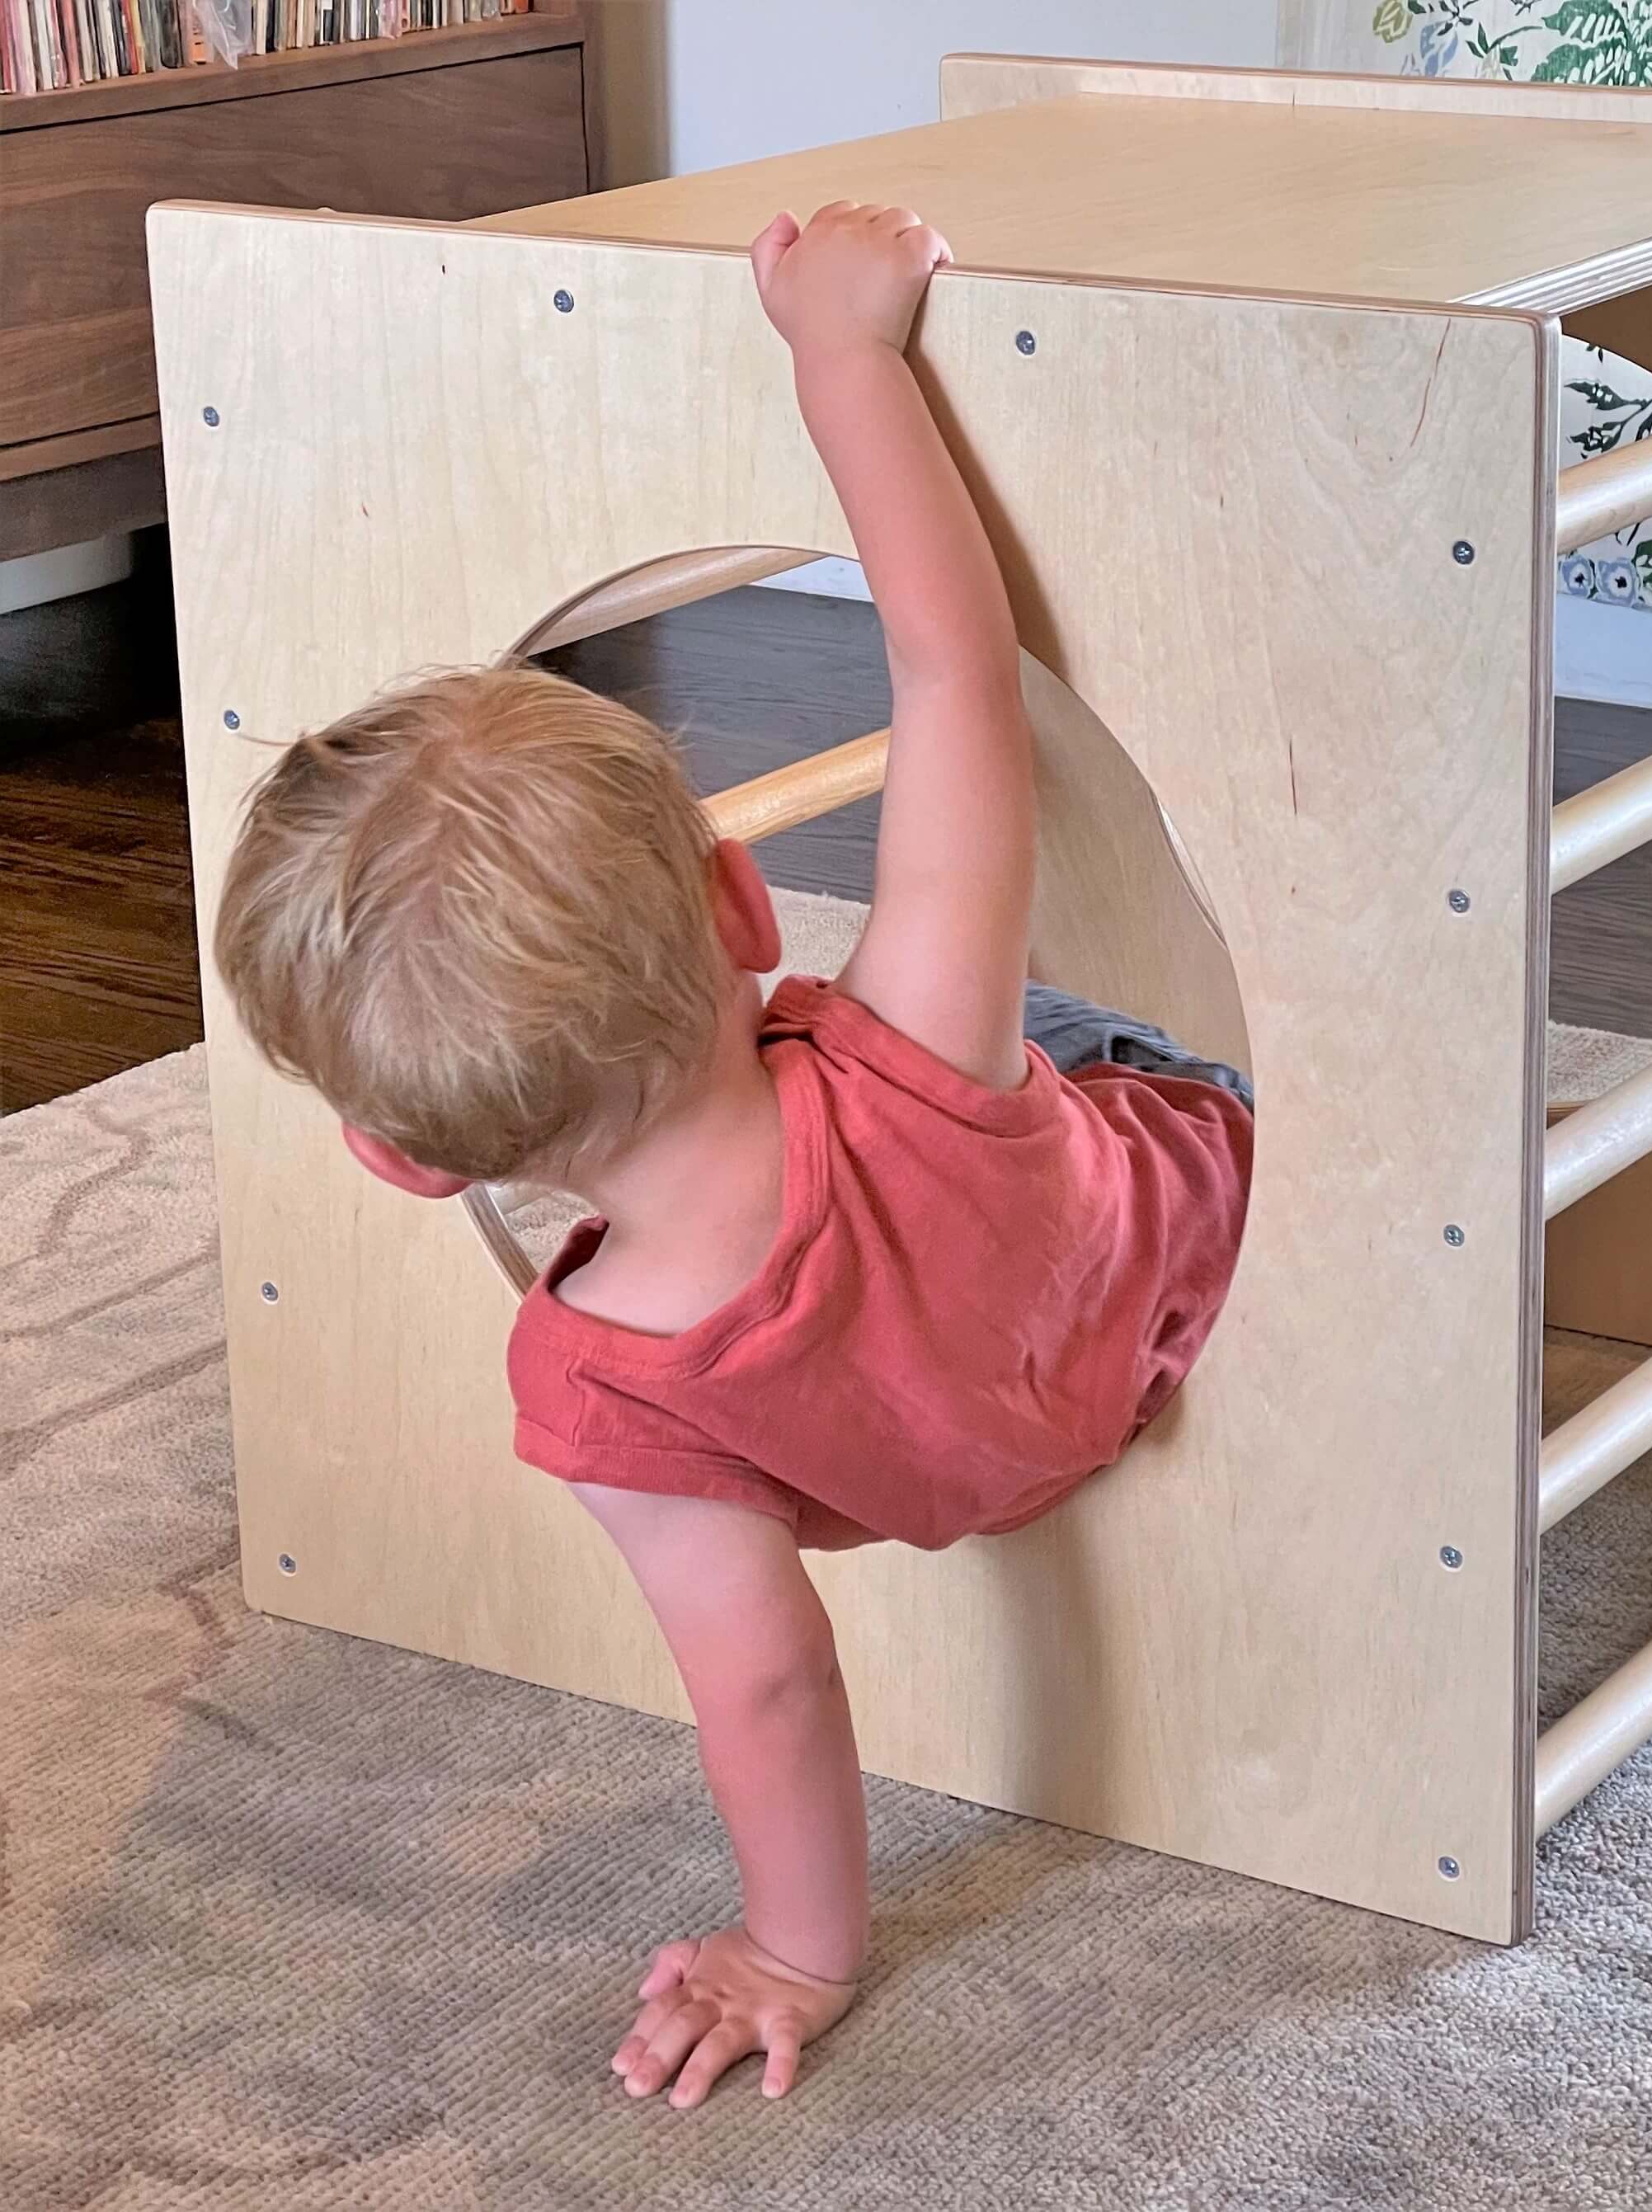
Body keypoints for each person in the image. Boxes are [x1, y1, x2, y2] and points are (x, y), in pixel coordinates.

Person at [212, 202, 1254, 2109]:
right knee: (1074, 1033)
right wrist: (843, 352)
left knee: (1038, 1055)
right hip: (1182, 1244)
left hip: (987, 1436)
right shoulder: (909, 1039)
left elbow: (765, 1680)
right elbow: (960, 674)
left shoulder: (603, 1390)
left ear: (399, 1162)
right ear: (744, 898)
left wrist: (799, 1946)